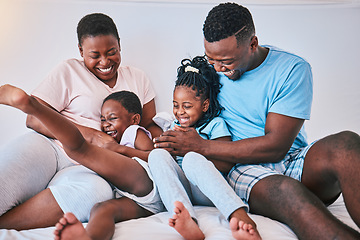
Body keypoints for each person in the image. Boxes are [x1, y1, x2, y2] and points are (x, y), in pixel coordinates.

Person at [153, 3, 360, 239]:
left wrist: (202, 146)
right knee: (287, 190)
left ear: (252, 44)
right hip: (242, 168)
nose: (218, 69)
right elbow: (186, 105)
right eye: (212, 60)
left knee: (346, 145)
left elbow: (277, 146)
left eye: (227, 62)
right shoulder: (210, 72)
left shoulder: (292, 69)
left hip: (292, 158)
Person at [0, 13, 162, 230]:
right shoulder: (69, 70)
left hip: (95, 166)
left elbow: (149, 124)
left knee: (96, 194)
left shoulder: (137, 78)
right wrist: (94, 136)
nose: (105, 62)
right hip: (50, 147)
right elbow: (33, 120)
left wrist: (165, 145)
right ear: (80, 51)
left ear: (120, 45)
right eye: (94, 55)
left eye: (112, 52)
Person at [0, 86, 164, 240]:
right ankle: (89, 237)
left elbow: (154, 157)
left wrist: (121, 150)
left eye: (112, 118)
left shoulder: (134, 132)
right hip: (140, 203)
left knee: (79, 149)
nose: (106, 124)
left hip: (145, 183)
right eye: (103, 119)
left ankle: (34, 106)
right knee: (102, 209)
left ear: (134, 119)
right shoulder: (119, 139)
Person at [148, 56, 261, 240]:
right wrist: (167, 148)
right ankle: (187, 219)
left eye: (187, 106)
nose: (180, 111)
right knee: (156, 155)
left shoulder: (215, 125)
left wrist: (194, 149)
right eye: (175, 105)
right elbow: (169, 165)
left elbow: (226, 163)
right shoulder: (173, 126)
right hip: (184, 189)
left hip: (207, 189)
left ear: (205, 105)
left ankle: (237, 213)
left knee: (192, 158)